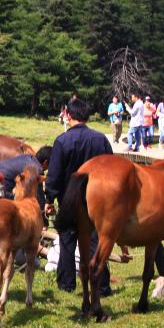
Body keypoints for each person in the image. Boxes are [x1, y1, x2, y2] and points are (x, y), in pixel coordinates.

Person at [45, 98, 113, 296]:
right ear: (88, 116)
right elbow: (110, 169)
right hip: (97, 201)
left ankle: (67, 284)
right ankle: (101, 285)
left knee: (67, 241)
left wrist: (49, 198)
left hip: (69, 200)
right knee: (95, 242)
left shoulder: (62, 140)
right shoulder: (101, 139)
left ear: (68, 115)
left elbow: (55, 174)